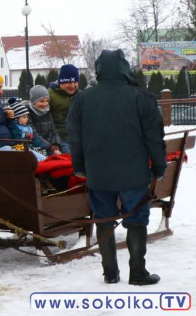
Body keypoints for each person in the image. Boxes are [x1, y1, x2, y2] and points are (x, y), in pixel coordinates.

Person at [66, 49, 166, 286]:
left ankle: (110, 273)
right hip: (134, 172)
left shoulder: (83, 99)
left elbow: (74, 136)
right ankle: (138, 273)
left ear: (99, 70)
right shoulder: (141, 97)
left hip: (98, 172)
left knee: (103, 218)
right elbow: (154, 136)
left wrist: (79, 165)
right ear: (124, 69)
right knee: (137, 219)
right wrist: (159, 165)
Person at [49, 64, 80, 153]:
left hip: (78, 138)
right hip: (59, 140)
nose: (73, 85)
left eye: (75, 82)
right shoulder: (49, 96)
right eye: (69, 82)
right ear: (61, 81)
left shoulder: (80, 95)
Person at [26, 85, 63, 156]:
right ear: (33, 101)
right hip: (35, 146)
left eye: (47, 101)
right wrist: (49, 146)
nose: (45, 104)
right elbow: (33, 134)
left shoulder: (47, 112)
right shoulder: (28, 113)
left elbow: (53, 130)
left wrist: (56, 144)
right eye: (41, 101)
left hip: (49, 145)